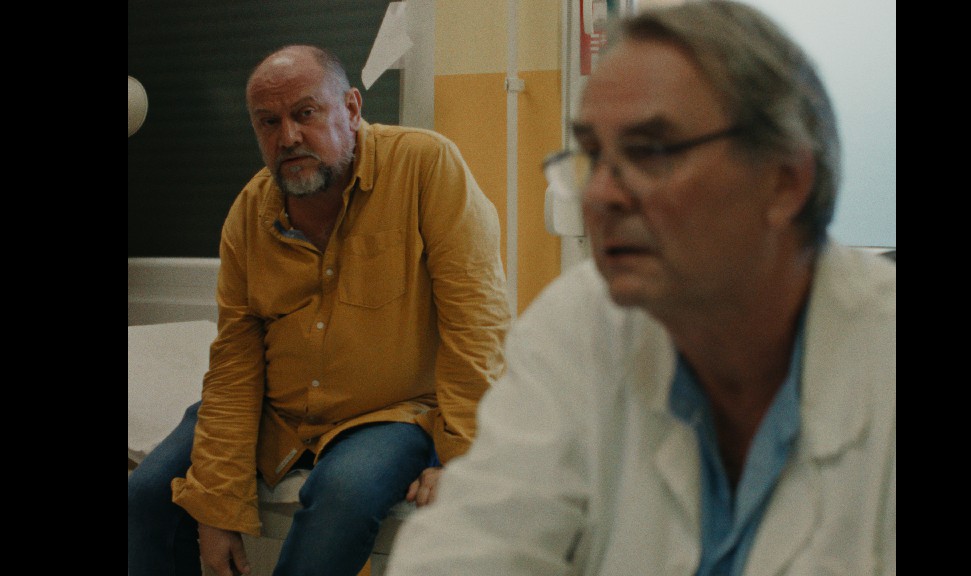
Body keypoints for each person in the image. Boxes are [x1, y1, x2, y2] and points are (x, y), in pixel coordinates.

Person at [385, 2, 896, 575]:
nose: (601, 194)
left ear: (785, 182)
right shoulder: (580, 323)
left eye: (651, 152)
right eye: (593, 155)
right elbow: (467, 548)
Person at [127, 44, 510, 576]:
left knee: (342, 495)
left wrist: (465, 459)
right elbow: (235, 365)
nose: (287, 137)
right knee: (145, 495)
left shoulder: (425, 166)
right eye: (268, 122)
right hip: (276, 411)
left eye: (305, 113)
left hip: (388, 412)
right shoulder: (248, 213)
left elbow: (477, 322)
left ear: (351, 109)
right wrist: (214, 504)